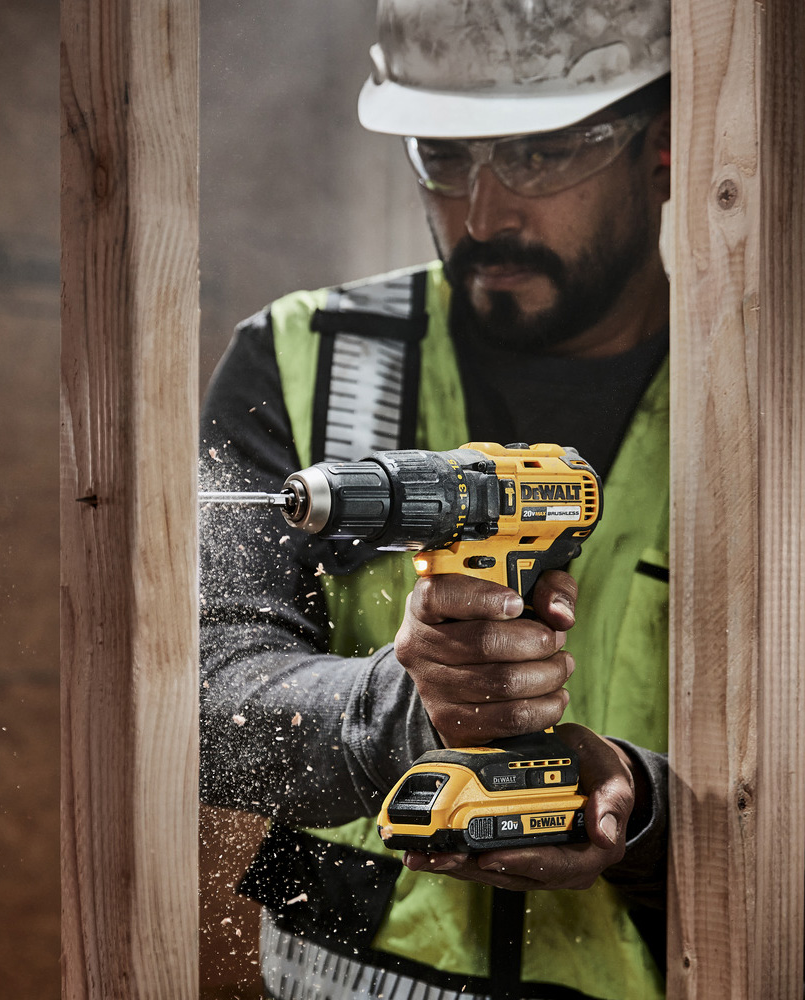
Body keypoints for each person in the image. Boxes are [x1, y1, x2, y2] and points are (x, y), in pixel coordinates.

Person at [200, 1, 672, 997]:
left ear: (663, 141)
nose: (485, 211)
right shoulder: (303, 361)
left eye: (540, 154)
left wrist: (646, 806)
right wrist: (410, 710)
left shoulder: (769, 409)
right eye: (445, 155)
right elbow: (201, 713)